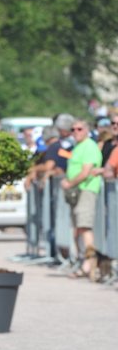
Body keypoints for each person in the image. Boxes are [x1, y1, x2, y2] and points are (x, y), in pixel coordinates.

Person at [61, 119, 103, 280]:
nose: (75, 132)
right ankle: (82, 262)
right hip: (75, 192)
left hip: (86, 190)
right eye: (73, 129)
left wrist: (69, 183)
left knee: (84, 227)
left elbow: (86, 172)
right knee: (77, 228)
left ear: (87, 130)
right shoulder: (77, 147)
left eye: (79, 129)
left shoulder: (89, 146)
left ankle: (89, 264)